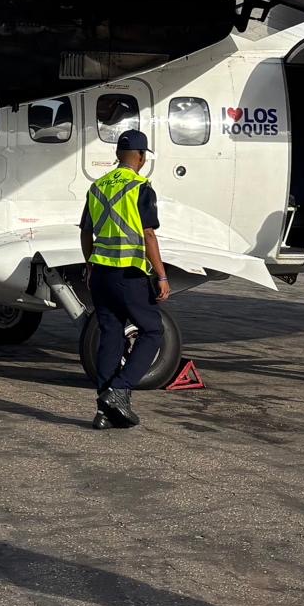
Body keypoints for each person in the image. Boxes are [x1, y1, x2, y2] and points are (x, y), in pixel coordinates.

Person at [78, 127, 169, 430]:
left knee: (111, 335)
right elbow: (149, 234)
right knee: (153, 331)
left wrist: (90, 266)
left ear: (118, 155)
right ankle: (121, 387)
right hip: (129, 273)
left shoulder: (98, 187)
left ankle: (104, 410)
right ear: (141, 157)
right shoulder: (140, 187)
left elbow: (85, 232)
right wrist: (162, 275)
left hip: (101, 274)